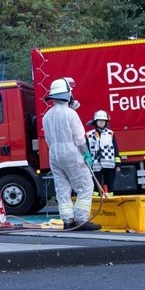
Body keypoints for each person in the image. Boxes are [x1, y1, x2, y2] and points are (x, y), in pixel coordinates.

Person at [42, 79, 100, 231]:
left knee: (62, 188)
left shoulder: (46, 116)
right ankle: (81, 220)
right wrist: (86, 153)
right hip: (71, 153)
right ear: (67, 94)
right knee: (86, 186)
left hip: (54, 154)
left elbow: (48, 139)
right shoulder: (71, 114)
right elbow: (80, 138)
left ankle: (67, 221)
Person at [85, 109, 118, 185]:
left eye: (103, 120)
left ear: (106, 122)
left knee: (109, 187)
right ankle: (96, 197)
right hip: (95, 165)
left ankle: (109, 196)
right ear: (95, 121)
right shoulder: (89, 135)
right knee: (95, 188)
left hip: (109, 165)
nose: (102, 122)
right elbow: (87, 150)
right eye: (99, 120)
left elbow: (115, 149)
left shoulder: (110, 133)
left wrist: (118, 164)